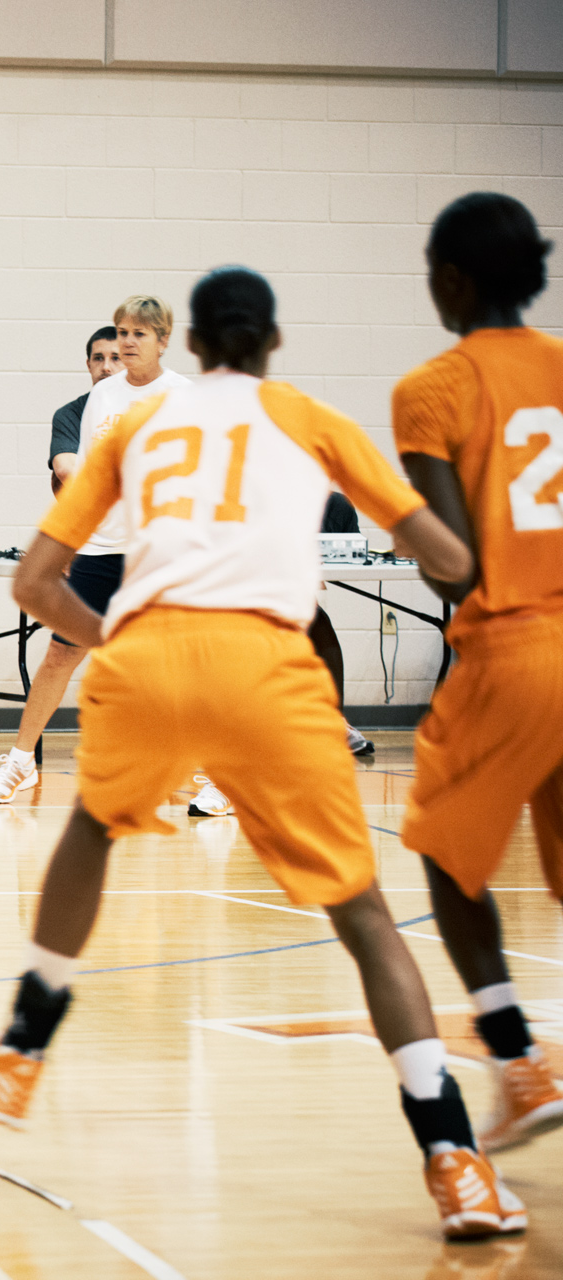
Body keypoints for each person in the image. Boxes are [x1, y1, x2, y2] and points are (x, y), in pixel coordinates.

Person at [0, 265, 517, 1240]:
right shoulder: (308, 416)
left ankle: (18, 1047)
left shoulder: (127, 423)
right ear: (270, 342)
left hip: (147, 653)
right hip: (267, 662)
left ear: (191, 343)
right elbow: (443, 558)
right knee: (363, 913)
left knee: (90, 826)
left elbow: (36, 584)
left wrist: (114, 636)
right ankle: (453, 1159)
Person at [393, 191, 563, 1155]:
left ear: (452, 279)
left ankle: (516, 1060)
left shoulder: (435, 386)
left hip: (514, 647)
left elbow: (452, 558)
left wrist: (407, 521)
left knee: (446, 859)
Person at [0, 302, 191, 804]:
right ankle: (21, 762)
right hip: (100, 547)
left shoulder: (182, 396)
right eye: (122, 332)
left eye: (139, 333)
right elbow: (89, 477)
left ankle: (213, 776)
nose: (128, 342)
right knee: (60, 653)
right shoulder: (102, 396)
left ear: (163, 340)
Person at [309, 491, 376, 758]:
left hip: (289, 594)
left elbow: (349, 558)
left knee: (315, 619)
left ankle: (334, 721)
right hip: (243, 596)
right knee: (313, 618)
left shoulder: (334, 504)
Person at [48, 325, 123, 493]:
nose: (106, 367)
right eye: (98, 358)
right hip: (93, 510)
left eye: (115, 358)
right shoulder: (70, 414)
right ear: (89, 365)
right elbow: (66, 468)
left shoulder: (145, 407)